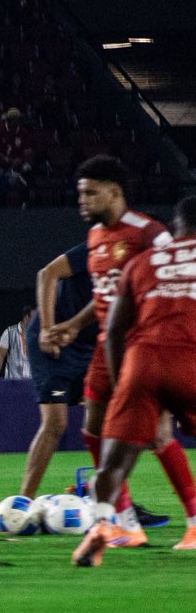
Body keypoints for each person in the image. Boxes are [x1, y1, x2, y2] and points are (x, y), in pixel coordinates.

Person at [35, 155, 196, 542]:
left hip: (145, 344)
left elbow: (174, 279)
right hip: (106, 344)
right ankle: (125, 522)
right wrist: (74, 325)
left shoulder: (149, 233)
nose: (83, 201)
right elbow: (110, 295)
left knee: (158, 434)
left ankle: (193, 520)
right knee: (93, 429)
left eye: (91, 193)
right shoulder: (95, 238)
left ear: (114, 192)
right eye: (80, 193)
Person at [75, 195, 196, 563]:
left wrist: (123, 383)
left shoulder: (140, 262)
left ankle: (102, 525)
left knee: (112, 460)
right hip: (188, 357)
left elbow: (114, 330)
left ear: (175, 228)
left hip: (140, 362)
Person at [15, 266, 95, 500]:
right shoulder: (93, 250)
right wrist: (45, 329)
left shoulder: (137, 266)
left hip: (88, 344)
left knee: (106, 415)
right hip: (56, 339)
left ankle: (111, 497)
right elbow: (47, 274)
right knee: (55, 423)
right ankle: (24, 502)